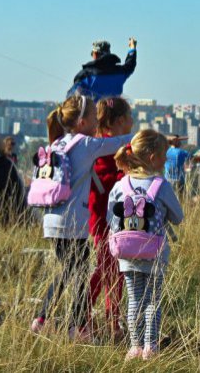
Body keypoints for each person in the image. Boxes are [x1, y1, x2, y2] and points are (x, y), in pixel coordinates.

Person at [30, 95, 135, 341]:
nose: (95, 122)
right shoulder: (86, 144)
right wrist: (148, 138)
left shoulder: (57, 144)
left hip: (51, 220)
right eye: (91, 118)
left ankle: (43, 318)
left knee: (68, 270)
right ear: (81, 122)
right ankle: (77, 327)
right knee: (78, 271)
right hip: (73, 222)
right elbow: (120, 142)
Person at [108, 129, 184, 360]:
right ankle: (151, 347)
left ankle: (134, 346)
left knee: (134, 299)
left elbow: (110, 218)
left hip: (126, 253)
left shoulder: (121, 185)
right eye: (164, 155)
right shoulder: (161, 186)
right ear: (153, 158)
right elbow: (178, 218)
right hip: (154, 253)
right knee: (152, 300)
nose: (165, 160)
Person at [88, 96, 133, 340]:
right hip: (108, 219)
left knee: (112, 271)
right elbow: (110, 182)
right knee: (109, 271)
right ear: (119, 121)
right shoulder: (109, 149)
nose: (133, 122)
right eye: (130, 118)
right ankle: (86, 313)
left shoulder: (99, 145)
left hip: (103, 218)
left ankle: (110, 321)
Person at [67, 38, 137, 99]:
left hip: (93, 114)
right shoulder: (120, 72)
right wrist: (132, 48)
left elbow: (71, 97)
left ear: (95, 54)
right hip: (114, 113)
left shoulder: (85, 75)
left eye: (92, 53)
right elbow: (130, 65)